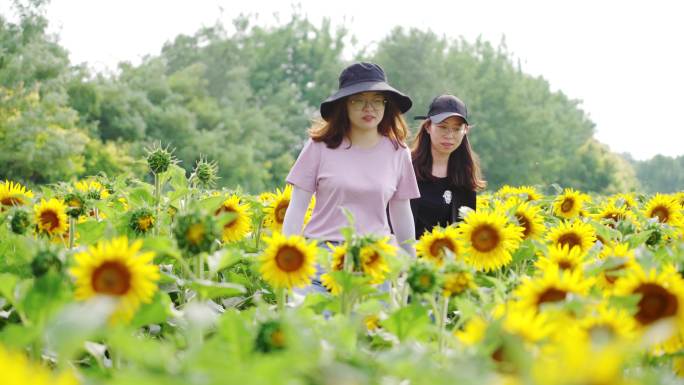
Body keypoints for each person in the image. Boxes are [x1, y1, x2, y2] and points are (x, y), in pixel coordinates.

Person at [282, 62, 420, 290]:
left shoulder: (398, 152)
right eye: (359, 100)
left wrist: (410, 262)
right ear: (344, 105)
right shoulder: (319, 147)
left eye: (377, 100)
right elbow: (297, 207)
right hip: (322, 259)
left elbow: (401, 213)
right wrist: (288, 257)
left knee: (369, 325)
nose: (369, 108)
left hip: (375, 261)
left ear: (387, 105)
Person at [410, 94, 486, 238]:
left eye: (457, 129)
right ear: (428, 127)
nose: (449, 135)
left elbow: (465, 230)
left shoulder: (465, 176)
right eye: (442, 127)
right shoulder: (406, 167)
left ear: (465, 131)